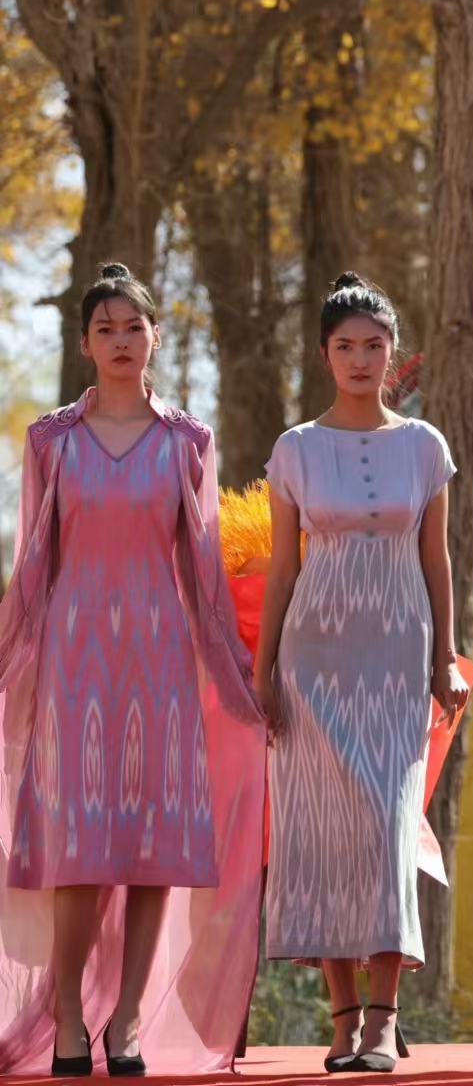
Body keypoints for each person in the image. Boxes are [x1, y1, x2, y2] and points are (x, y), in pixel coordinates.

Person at [0, 264, 264, 1077]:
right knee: (77, 848)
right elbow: (32, 564)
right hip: (74, 661)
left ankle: (126, 1023)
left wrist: (239, 678)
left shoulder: (188, 440)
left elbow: (204, 572)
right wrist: (9, 661)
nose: (121, 341)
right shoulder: (50, 440)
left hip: (162, 661)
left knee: (157, 849)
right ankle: (68, 1015)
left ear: (155, 337)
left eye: (134, 327)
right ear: (84, 343)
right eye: (105, 329)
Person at [253, 273, 470, 1074]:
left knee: (385, 828)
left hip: (397, 657)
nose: (359, 358)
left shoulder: (425, 446)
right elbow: (283, 568)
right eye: (345, 346)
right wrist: (263, 671)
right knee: (322, 833)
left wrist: (445, 656)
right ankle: (342, 1021)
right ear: (324, 354)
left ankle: (385, 1018)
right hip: (313, 660)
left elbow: (436, 559)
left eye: (373, 345)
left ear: (392, 352)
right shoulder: (295, 448)